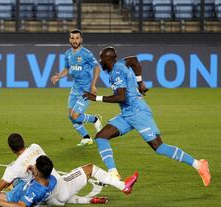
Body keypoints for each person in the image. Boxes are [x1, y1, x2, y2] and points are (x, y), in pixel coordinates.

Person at [83, 46, 211, 186]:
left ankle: (199, 165)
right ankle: (113, 173)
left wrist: (96, 98)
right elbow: (134, 60)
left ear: (108, 59)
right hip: (127, 114)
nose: (100, 62)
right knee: (101, 136)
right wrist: (140, 82)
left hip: (138, 113)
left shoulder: (117, 72)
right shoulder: (120, 64)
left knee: (159, 147)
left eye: (101, 59)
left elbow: (121, 97)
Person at [0, 133, 139, 207]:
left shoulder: (15, 168)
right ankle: (122, 186)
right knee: (90, 168)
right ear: (24, 142)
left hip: (46, 197)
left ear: (11, 149)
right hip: (59, 186)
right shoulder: (35, 147)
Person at [51, 29, 102, 147]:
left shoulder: (86, 54)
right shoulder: (68, 54)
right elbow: (67, 69)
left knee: (75, 115)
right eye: (72, 38)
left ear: (81, 40)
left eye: (77, 38)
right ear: (69, 39)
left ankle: (95, 119)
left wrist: (93, 84)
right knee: (71, 116)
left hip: (86, 90)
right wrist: (59, 76)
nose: (74, 40)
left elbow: (97, 68)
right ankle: (86, 137)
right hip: (75, 89)